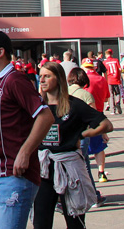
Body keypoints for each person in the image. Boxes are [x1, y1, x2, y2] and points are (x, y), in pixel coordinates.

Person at [0, 29, 55, 229]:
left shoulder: (15, 80)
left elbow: (45, 116)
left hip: (14, 177)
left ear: (0, 52)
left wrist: (25, 152)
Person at [33, 62, 111, 229]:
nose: (43, 80)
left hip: (69, 168)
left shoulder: (74, 105)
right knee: (40, 221)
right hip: (44, 169)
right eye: (40, 76)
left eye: (47, 76)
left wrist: (83, 134)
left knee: (75, 221)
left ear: (59, 79)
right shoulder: (37, 106)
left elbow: (106, 125)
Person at [103, 49, 122, 114]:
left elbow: (104, 72)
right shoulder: (116, 60)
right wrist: (119, 77)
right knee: (117, 93)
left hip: (109, 79)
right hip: (116, 79)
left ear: (106, 54)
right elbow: (120, 69)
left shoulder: (105, 62)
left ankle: (112, 109)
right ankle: (118, 102)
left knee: (111, 95)